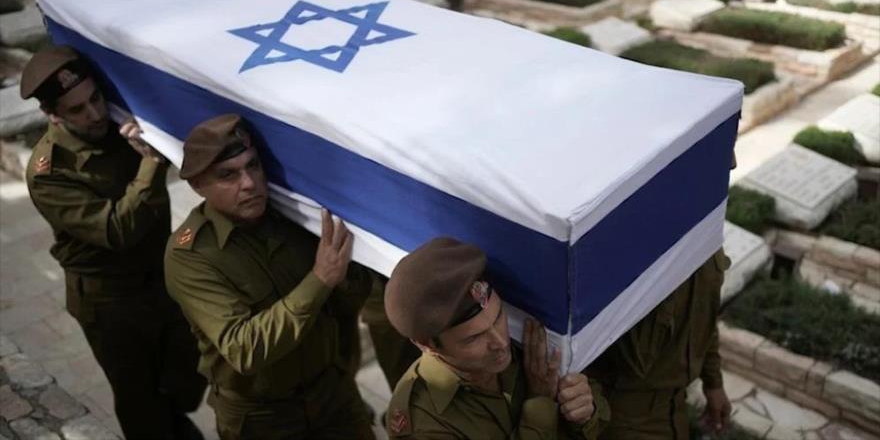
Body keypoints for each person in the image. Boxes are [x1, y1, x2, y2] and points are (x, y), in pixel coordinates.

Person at [21, 45, 207, 440]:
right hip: (110, 301)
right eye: (77, 110)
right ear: (51, 114)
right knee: (140, 398)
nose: (94, 114)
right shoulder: (48, 171)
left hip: (159, 275)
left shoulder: (119, 124)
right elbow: (116, 231)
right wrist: (151, 163)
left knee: (186, 373)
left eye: (94, 98)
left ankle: (177, 423)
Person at [164, 113, 375, 440]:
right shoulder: (191, 256)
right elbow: (243, 349)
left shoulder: (295, 216)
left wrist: (347, 277)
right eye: (228, 175)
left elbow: (347, 303)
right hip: (262, 418)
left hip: (333, 396)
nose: (249, 183)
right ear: (197, 185)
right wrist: (320, 279)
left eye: (254, 166)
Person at [384, 237, 609, 439]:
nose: (501, 342)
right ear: (427, 344)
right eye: (474, 338)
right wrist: (540, 405)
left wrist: (584, 413)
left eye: (499, 316)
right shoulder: (423, 423)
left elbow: (601, 416)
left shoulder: (525, 342)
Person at [586, 250, 733, 439]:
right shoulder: (627, 241)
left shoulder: (703, 227)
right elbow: (633, 356)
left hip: (675, 407)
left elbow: (705, 312)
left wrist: (713, 382)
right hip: (624, 414)